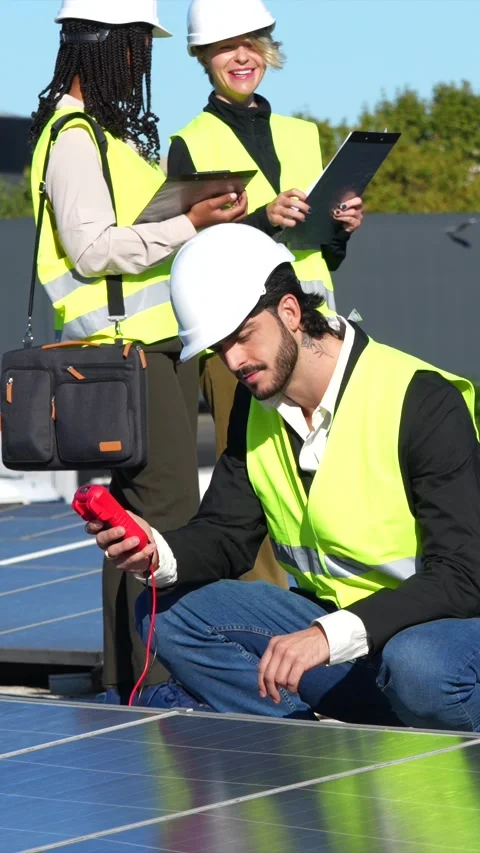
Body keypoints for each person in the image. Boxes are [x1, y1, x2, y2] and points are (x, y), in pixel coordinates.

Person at [90, 223, 480, 732]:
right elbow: (226, 533)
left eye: (243, 337)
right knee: (167, 616)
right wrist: (155, 553)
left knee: (422, 669)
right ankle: (303, 744)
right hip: (343, 645)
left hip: (438, 631)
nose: (233, 361)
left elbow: (464, 576)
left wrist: (326, 635)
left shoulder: (421, 399)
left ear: (291, 312)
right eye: (219, 348)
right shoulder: (257, 408)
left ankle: (418, 713)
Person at [30, 0, 247, 704]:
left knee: (129, 527)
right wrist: (188, 221)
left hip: (143, 358)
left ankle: (131, 679)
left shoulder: (101, 134)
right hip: (128, 363)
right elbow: (94, 250)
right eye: (133, 46)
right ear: (100, 45)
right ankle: (155, 682)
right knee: (168, 520)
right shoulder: (72, 138)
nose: (139, 62)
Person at [168, 0, 364, 589]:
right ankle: (265, 625)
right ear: (203, 56)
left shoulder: (302, 134)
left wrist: (340, 228)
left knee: (330, 473)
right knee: (255, 482)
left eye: (249, 42)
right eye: (225, 46)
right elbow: (190, 254)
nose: (240, 56)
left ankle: (334, 607)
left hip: (314, 327)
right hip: (241, 337)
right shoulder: (189, 144)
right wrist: (262, 221)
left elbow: (318, 254)